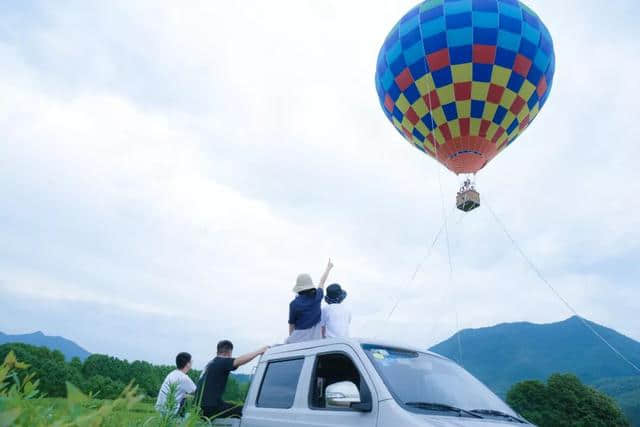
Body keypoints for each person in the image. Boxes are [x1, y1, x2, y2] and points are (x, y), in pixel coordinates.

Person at [196, 340, 269, 419]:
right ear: (229, 352)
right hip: (210, 407)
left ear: (217, 351)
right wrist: (260, 351)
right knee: (245, 411)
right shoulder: (222, 362)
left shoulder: (211, 364)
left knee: (230, 406)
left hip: (199, 406)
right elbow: (238, 361)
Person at [286, 259, 333, 344]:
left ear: (299, 288)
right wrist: (328, 268)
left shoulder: (293, 304)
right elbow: (322, 282)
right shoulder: (317, 296)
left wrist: (291, 341)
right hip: (315, 337)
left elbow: (291, 325)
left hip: (298, 337)